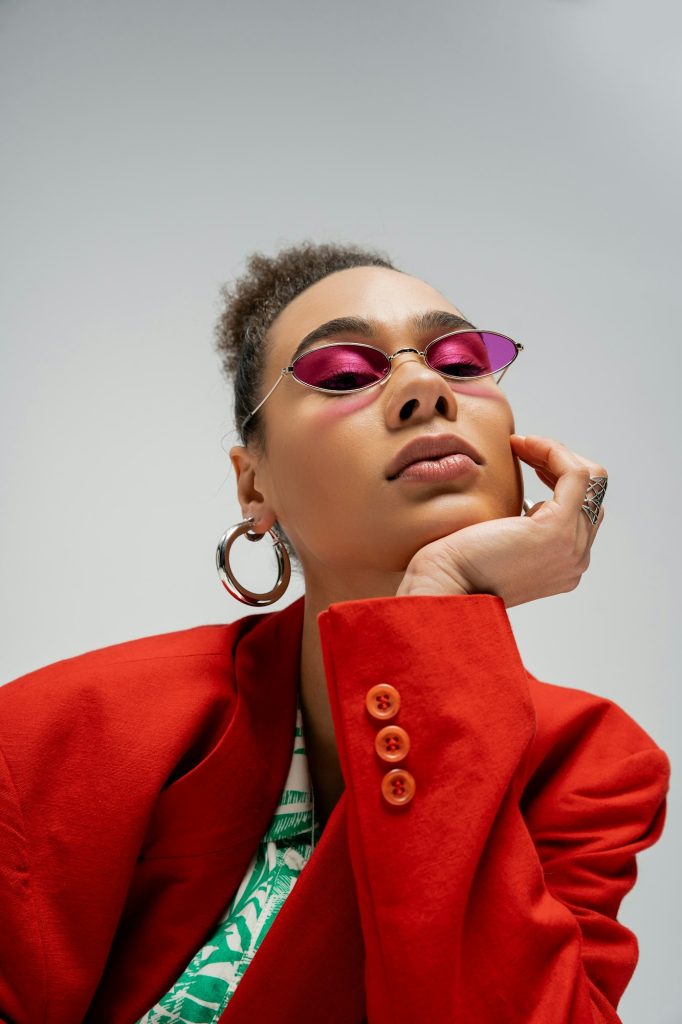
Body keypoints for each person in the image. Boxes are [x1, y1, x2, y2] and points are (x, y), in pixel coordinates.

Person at [0, 241, 670, 1024]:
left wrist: (438, 606)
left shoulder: (590, 767)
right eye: (347, 375)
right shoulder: (57, 734)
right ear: (255, 484)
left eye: (460, 362)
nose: (425, 388)